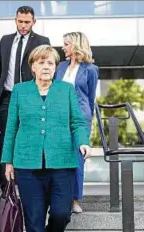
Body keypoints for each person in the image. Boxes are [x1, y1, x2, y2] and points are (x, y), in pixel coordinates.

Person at [1, 45, 91, 232]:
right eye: (41, 62)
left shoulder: (66, 90)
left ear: (55, 67)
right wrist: (7, 160)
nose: (46, 67)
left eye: (50, 63)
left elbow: (77, 121)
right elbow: (11, 127)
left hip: (61, 163)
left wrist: (83, 141)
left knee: (62, 214)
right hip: (27, 165)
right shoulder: (20, 91)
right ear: (33, 67)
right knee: (34, 219)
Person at [0, 6, 50, 192]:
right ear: (15, 20)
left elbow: (46, 69)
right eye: (20, 21)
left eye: (27, 22)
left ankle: (28, 187)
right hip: (7, 96)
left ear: (34, 22)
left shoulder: (42, 41)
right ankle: (6, 191)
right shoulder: (5, 41)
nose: (23, 25)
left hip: (32, 97)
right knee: (7, 139)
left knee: (30, 138)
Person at [54, 32, 98, 213]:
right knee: (58, 158)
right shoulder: (61, 66)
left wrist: (87, 121)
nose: (63, 47)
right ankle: (57, 198)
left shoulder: (91, 69)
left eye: (66, 44)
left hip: (80, 118)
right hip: (58, 118)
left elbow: (91, 97)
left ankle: (74, 200)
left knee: (77, 159)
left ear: (77, 45)